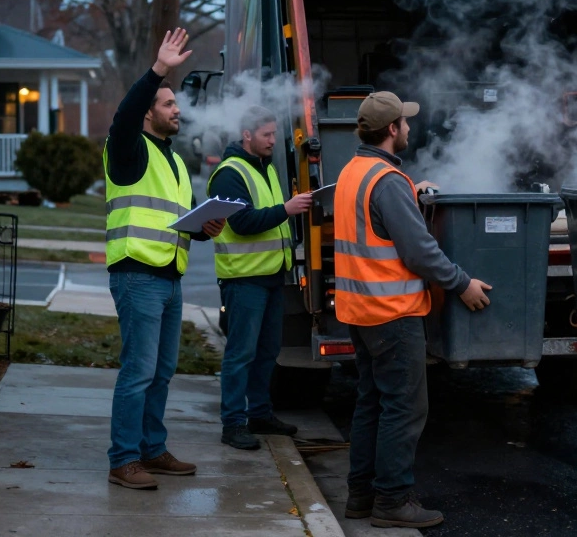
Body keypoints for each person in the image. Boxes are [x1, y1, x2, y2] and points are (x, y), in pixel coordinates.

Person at [334, 91, 493, 530]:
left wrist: (411, 198)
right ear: (391, 130)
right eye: (403, 122)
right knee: (404, 408)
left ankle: (361, 496)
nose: (408, 127)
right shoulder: (387, 181)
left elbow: (378, 227)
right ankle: (393, 500)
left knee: (371, 404)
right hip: (393, 313)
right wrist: (462, 284)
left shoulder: (353, 172)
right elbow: (420, 251)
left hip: (361, 311)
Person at [104, 28, 226, 490]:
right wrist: (157, 70)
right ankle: (123, 460)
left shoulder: (172, 159)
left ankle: (152, 449)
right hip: (137, 276)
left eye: (177, 104)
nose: (178, 111)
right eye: (169, 104)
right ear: (149, 114)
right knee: (138, 372)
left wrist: (203, 226)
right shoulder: (128, 150)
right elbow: (123, 116)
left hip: (168, 277)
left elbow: (170, 220)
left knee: (161, 371)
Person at [207, 105, 313, 450]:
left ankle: (261, 415)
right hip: (244, 280)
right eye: (266, 135)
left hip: (269, 278)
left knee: (267, 351)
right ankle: (233, 423)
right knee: (241, 354)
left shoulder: (263, 168)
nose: (273, 140)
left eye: (273, 133)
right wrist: (287, 208)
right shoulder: (230, 173)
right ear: (247, 135)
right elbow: (242, 222)